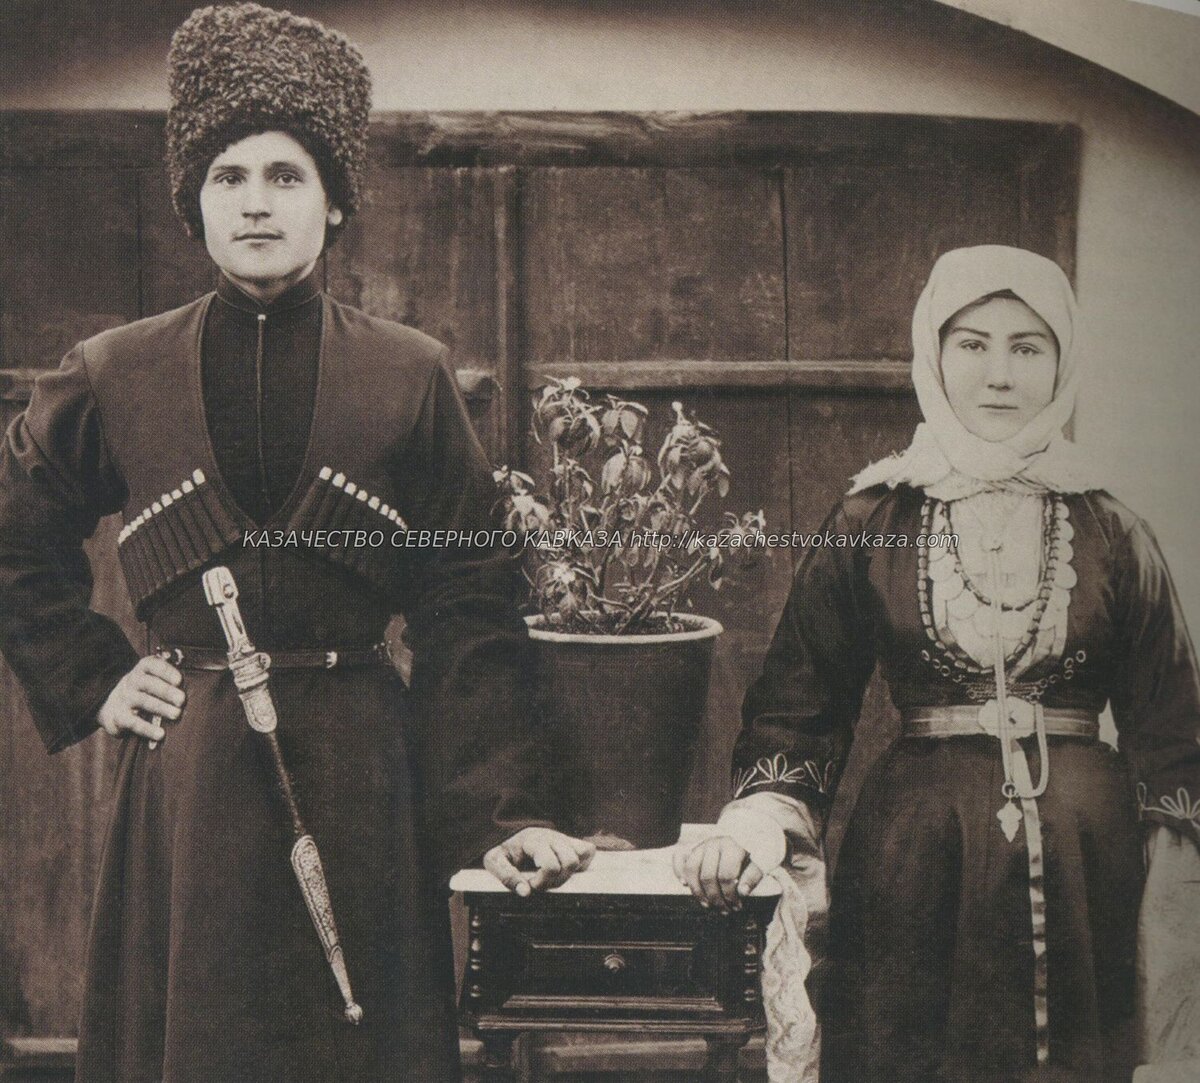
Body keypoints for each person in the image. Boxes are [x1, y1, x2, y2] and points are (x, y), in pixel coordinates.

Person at [0, 5, 592, 1081]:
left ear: (335, 202)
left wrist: (501, 812)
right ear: (194, 202)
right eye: (228, 176)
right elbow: (13, 537)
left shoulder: (410, 373)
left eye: (286, 175)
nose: (256, 201)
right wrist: (94, 677)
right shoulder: (114, 370)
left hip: (366, 774)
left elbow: (470, 600)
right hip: (188, 787)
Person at [675, 245, 1200, 1081]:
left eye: (1027, 347)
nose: (1000, 375)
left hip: (1086, 870)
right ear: (934, 352)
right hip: (913, 857)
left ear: (1062, 360)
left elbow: (1176, 735)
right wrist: (754, 827)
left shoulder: (1113, 529)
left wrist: (1172, 917)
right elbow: (798, 708)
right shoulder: (872, 518)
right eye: (973, 345)